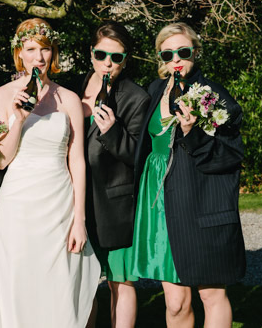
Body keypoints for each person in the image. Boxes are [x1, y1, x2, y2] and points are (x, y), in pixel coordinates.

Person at [0, 18, 100, 327]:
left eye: (45, 49)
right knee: (18, 285)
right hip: (17, 207)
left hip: (59, 204)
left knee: (59, 285)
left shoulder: (69, 99)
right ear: (19, 53)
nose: (39, 57)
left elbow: (77, 161)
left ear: (54, 53)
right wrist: (19, 118)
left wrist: (80, 220)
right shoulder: (1, 96)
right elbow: (1, 160)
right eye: (31, 49)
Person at [130, 22, 245, 327]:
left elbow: (231, 154)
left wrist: (192, 132)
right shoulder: (154, 90)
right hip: (158, 204)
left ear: (195, 51)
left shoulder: (213, 94)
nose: (176, 59)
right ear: (160, 58)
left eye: (183, 51)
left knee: (211, 295)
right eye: (168, 54)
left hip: (199, 202)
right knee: (176, 302)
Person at [77, 22, 150, 328]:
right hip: (75, 200)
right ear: (91, 54)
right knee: (81, 283)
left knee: (119, 281)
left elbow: (138, 155)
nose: (108, 62)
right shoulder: (70, 88)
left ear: (125, 59)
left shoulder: (136, 97)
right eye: (101, 54)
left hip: (114, 203)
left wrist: (112, 131)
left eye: (116, 57)